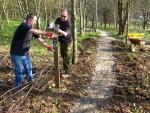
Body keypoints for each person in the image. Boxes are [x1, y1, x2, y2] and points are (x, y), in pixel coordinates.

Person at [10, 13, 54, 87]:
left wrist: (47, 46)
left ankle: (31, 82)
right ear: (30, 19)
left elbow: (39, 39)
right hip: (16, 53)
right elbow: (33, 31)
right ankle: (18, 87)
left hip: (25, 53)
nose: (35, 22)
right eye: (35, 20)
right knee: (20, 71)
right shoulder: (23, 26)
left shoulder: (30, 27)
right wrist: (47, 33)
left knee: (29, 68)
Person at [55, 9, 72, 78]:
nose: (63, 17)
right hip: (61, 41)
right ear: (60, 15)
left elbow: (65, 34)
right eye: (62, 16)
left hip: (67, 41)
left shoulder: (68, 23)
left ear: (67, 15)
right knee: (62, 55)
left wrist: (59, 30)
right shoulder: (58, 19)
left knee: (67, 57)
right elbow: (55, 27)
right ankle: (65, 69)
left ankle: (68, 72)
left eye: (64, 16)